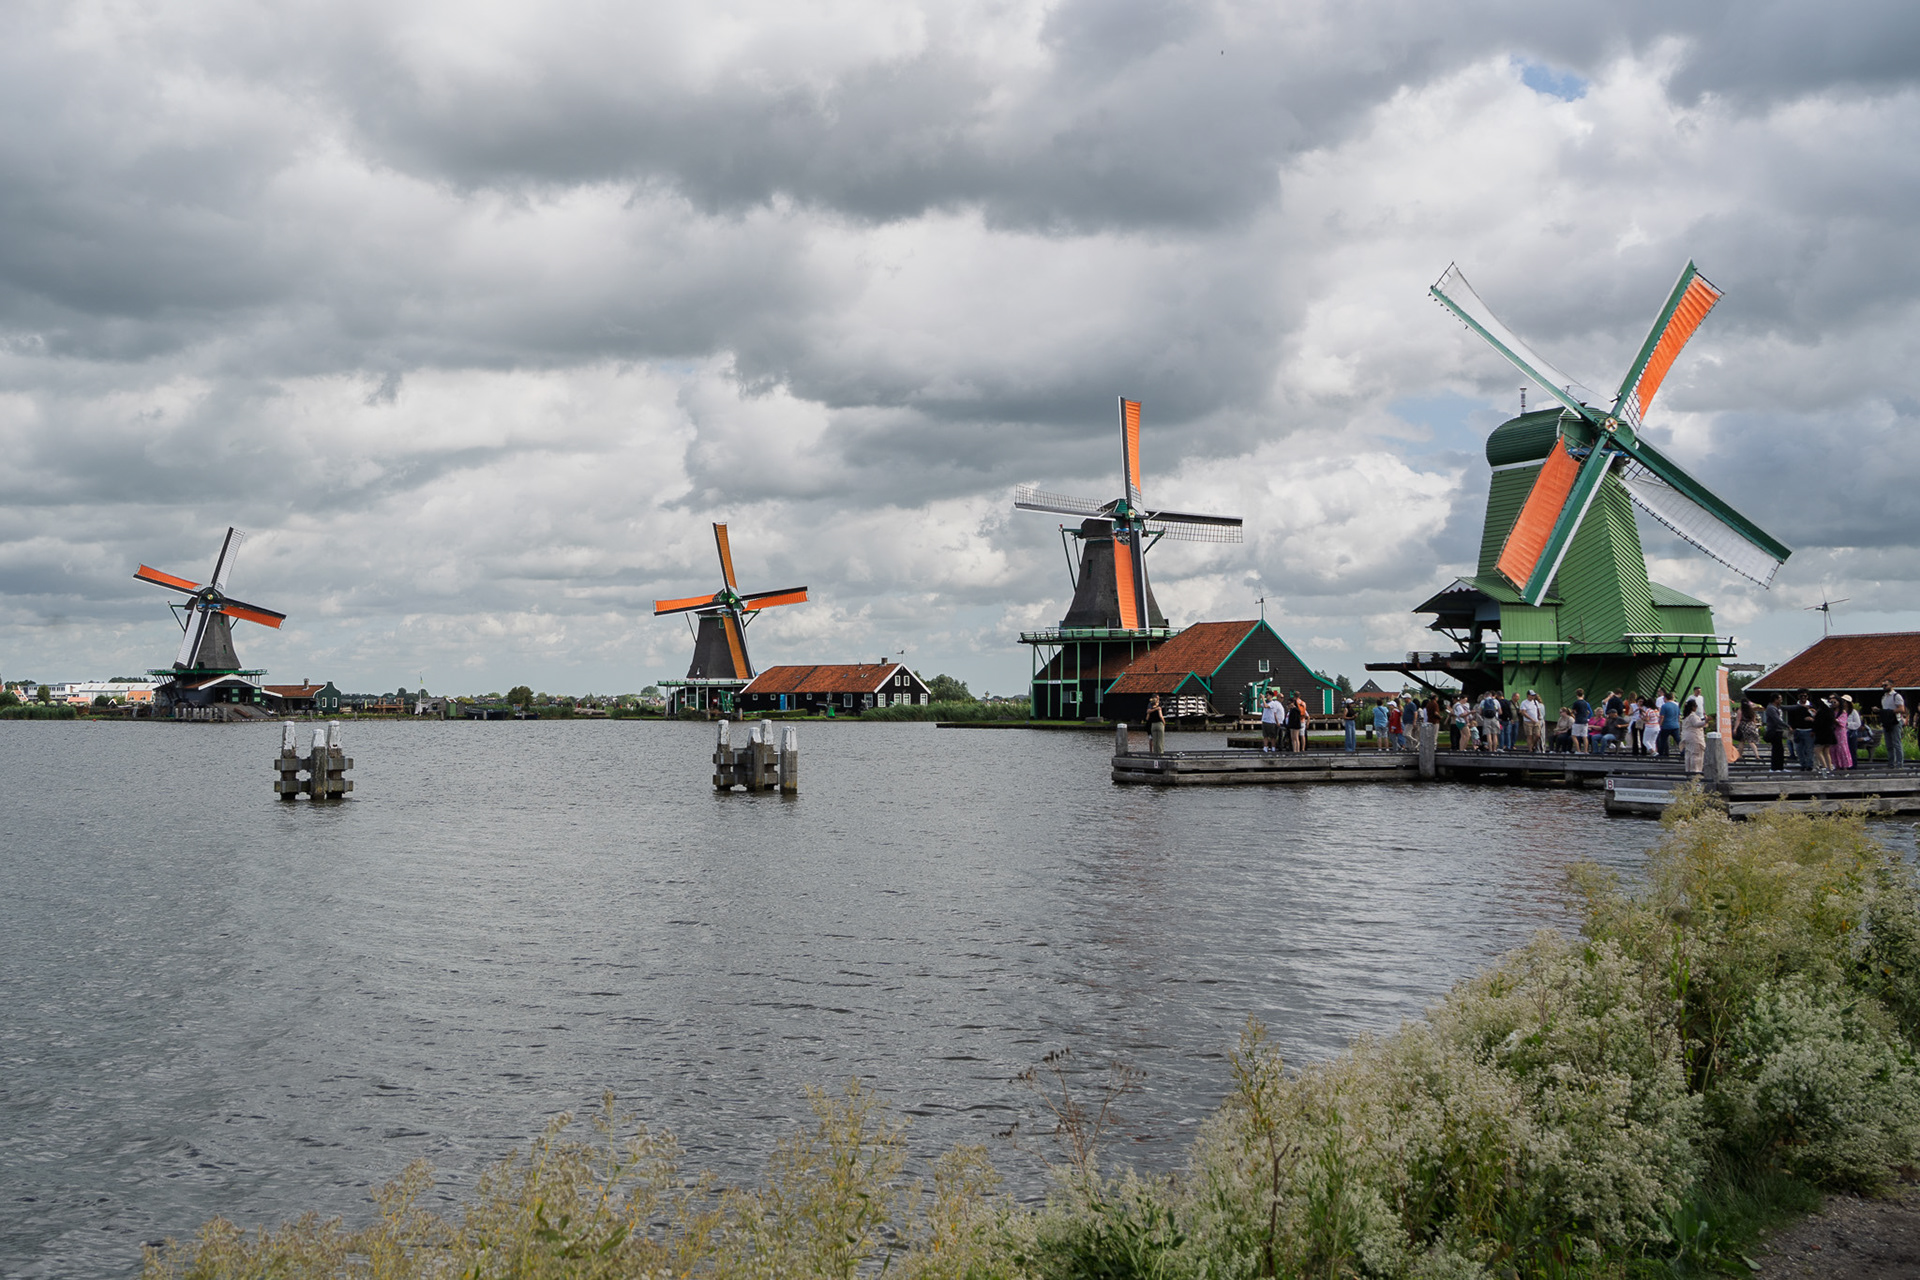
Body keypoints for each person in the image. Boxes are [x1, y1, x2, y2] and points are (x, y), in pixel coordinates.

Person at [1789, 691, 1816, 772]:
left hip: (1809, 731)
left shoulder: (1812, 706)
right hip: (1798, 730)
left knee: (1809, 749)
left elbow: (1817, 718)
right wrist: (1791, 728)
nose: (1803, 697)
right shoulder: (1794, 707)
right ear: (1798, 697)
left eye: (1805, 696)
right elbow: (1790, 719)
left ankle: (1809, 765)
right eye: (1801, 696)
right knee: (1799, 749)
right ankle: (1803, 764)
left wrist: (1813, 724)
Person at [1881, 681, 1907, 766]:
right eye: (1883, 686)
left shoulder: (1896, 696)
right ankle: (1891, 762)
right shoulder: (1884, 697)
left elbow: (1902, 709)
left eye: (1886, 685)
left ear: (1891, 686)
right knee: (1889, 744)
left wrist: (1889, 712)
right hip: (1886, 721)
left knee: (1896, 743)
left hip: (1895, 721)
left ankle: (1899, 763)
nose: (1884, 687)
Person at [1812, 694, 1837, 776]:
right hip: (1829, 733)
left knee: (1817, 750)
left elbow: (1817, 724)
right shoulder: (1830, 712)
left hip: (1822, 734)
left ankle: (1824, 767)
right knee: (1826, 751)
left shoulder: (1821, 713)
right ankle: (1830, 769)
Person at [1681, 696, 1707, 776]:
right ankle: (1695, 772)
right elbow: (1696, 724)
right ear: (1693, 707)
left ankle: (1688, 771)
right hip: (1695, 738)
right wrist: (1706, 721)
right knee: (1696, 755)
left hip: (1687, 738)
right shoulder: (1693, 716)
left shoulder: (1686, 717)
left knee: (1689, 754)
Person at [1764, 693, 1788, 772]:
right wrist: (1787, 726)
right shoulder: (1771, 708)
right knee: (1776, 749)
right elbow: (1777, 720)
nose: (1781, 700)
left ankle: (1780, 767)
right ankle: (1774, 767)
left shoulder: (1777, 707)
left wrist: (1800, 706)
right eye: (1780, 699)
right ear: (1775, 699)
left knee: (1780, 750)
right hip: (1774, 731)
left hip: (1779, 731)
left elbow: (1788, 707)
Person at [1833, 696, 1856, 770]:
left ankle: (1845, 766)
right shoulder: (1831, 712)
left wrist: (1834, 720)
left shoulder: (1843, 712)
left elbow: (1842, 722)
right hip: (1833, 732)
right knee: (1833, 748)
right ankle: (1836, 766)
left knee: (1842, 748)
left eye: (1835, 702)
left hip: (1841, 732)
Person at [1658, 691, 1681, 759]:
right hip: (1675, 725)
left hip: (1666, 726)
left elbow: (1662, 717)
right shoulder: (1676, 706)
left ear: (1665, 698)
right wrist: (1677, 723)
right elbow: (1679, 716)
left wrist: (1660, 725)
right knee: (1678, 740)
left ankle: (1662, 754)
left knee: (1663, 741)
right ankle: (1683, 752)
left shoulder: (1664, 706)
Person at [1570, 687, 1591, 754]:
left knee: (1574, 736)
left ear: (1577, 695)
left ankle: (1578, 751)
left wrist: (1574, 715)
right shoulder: (1585, 703)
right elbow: (1588, 712)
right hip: (1585, 721)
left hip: (1578, 721)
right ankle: (1585, 751)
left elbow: (1572, 711)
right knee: (1585, 736)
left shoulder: (1576, 703)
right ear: (1583, 695)